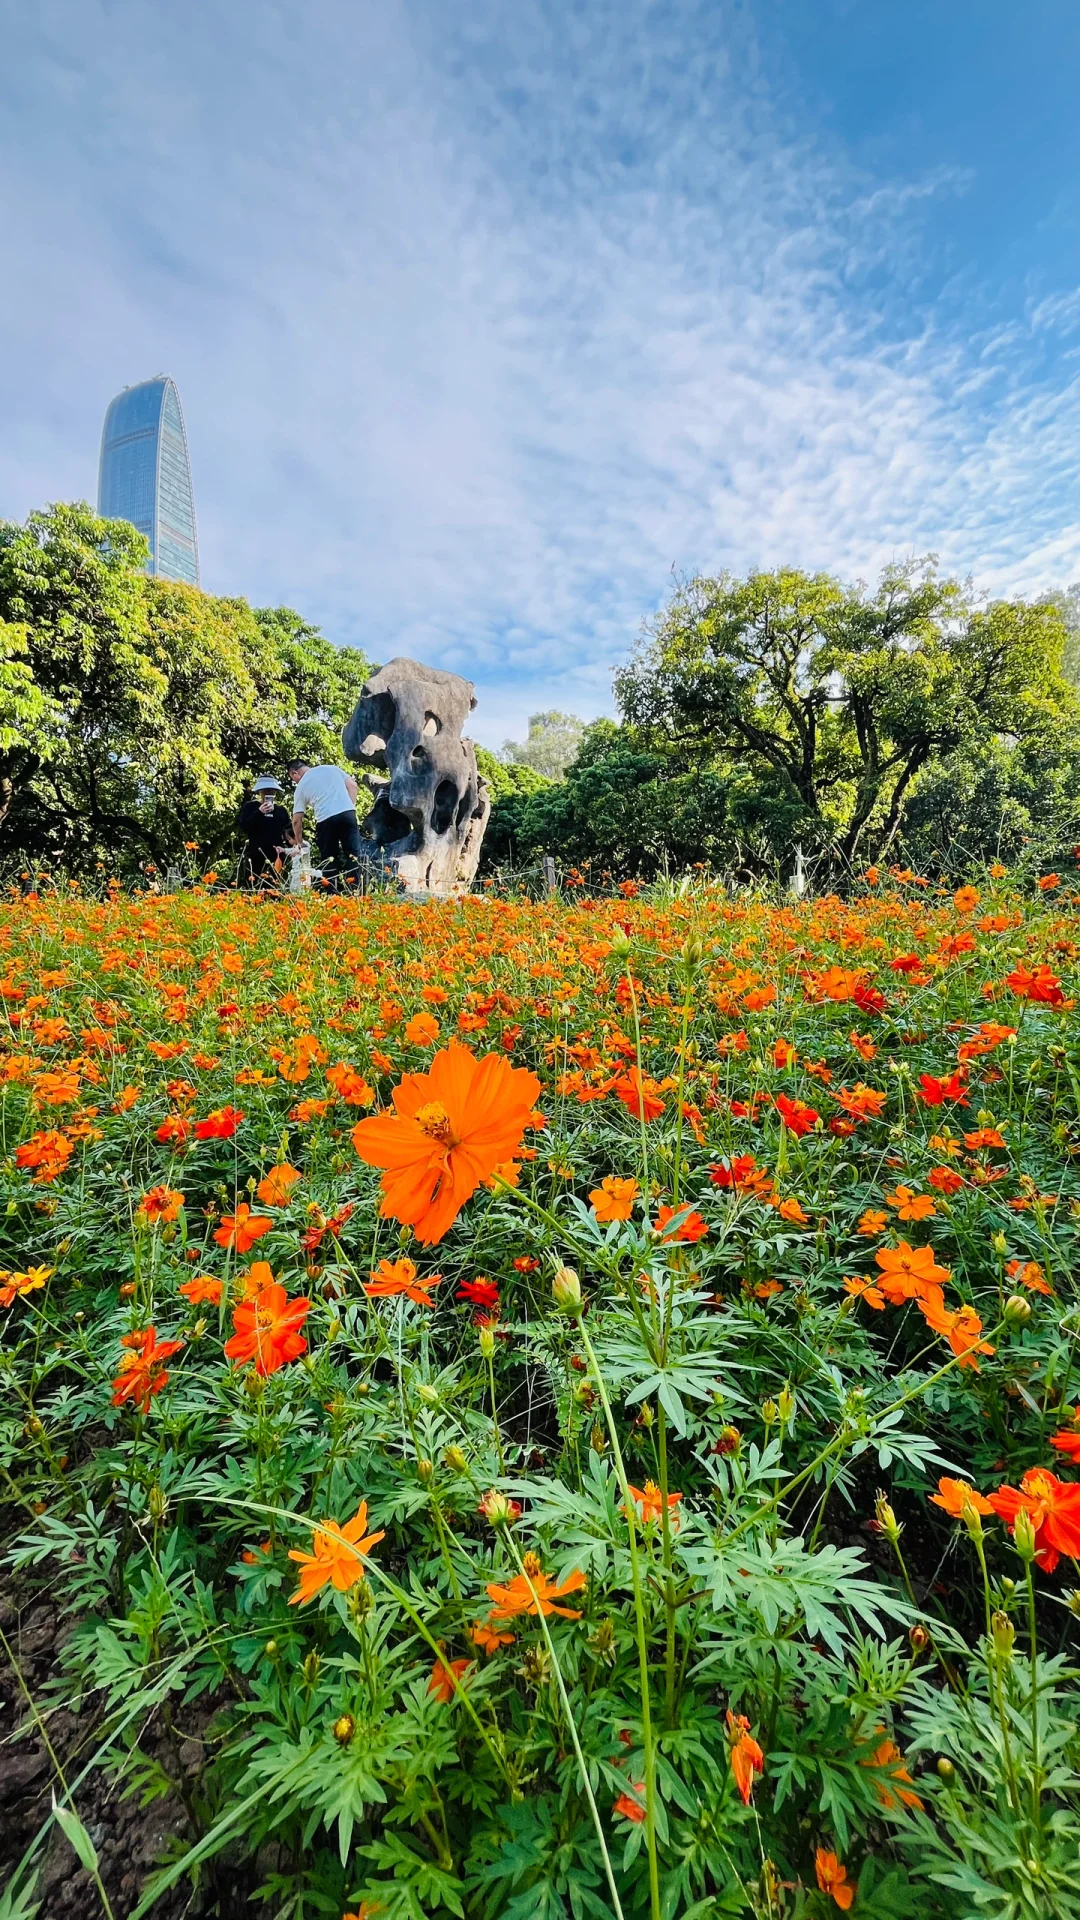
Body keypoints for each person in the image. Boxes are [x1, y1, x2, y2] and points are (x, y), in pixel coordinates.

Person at [288, 758, 365, 888]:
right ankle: (357, 892)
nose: (295, 781)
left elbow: (297, 820)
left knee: (329, 858)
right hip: (348, 814)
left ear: (295, 773)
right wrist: (348, 806)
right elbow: (353, 786)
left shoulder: (301, 787)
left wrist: (299, 842)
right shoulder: (331, 768)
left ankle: (332, 895)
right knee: (353, 854)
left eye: (292, 778)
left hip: (325, 819)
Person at [237, 776, 295, 887]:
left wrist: (292, 849)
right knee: (252, 886)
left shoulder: (281, 811)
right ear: (260, 792)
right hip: (255, 854)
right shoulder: (250, 807)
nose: (269, 793)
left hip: (276, 855)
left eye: (272, 791)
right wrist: (259, 812)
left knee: (275, 887)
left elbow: (289, 832)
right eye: (266, 791)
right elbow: (244, 827)